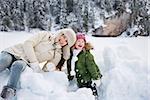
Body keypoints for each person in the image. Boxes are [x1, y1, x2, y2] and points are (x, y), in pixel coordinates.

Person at [0, 28, 76, 99]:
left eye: (66, 41)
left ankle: (8, 94)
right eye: (64, 37)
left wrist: (50, 67)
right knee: (5, 60)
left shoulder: (57, 54)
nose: (63, 41)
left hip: (25, 61)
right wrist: (34, 62)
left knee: (18, 66)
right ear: (61, 34)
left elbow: (47, 68)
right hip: (14, 51)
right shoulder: (45, 35)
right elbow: (28, 43)